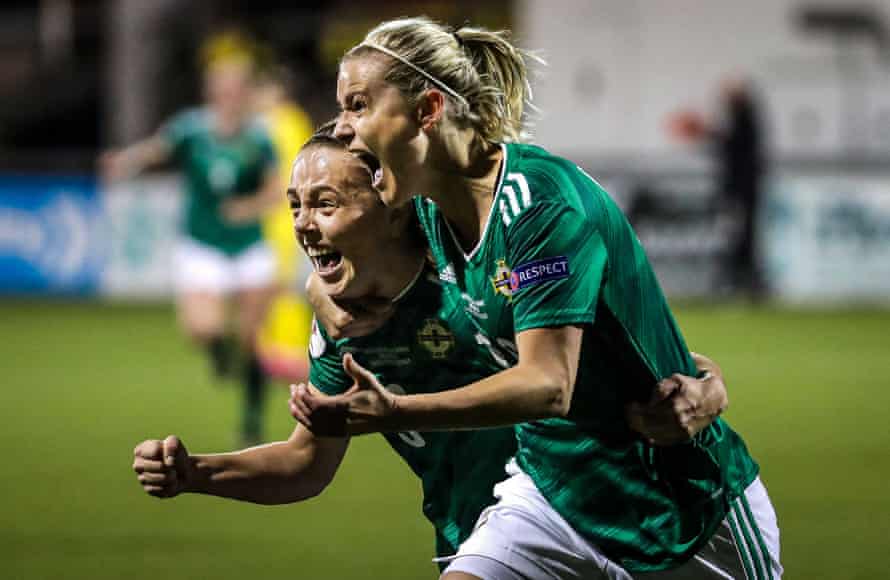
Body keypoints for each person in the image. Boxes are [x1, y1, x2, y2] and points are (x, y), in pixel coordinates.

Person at [293, 17, 781, 580]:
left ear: (428, 110)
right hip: (552, 494)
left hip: (678, 506)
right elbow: (359, 256)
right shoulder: (424, 210)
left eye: (357, 105)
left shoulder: (539, 206)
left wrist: (394, 412)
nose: (342, 128)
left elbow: (549, 384)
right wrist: (320, 286)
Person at [133, 129, 731, 570]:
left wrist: (705, 381)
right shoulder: (341, 332)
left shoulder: (477, 270)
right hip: (481, 538)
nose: (302, 224)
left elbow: (603, 349)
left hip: (630, 514)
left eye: (324, 203)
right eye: (295, 205)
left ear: (392, 211)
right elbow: (306, 463)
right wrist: (198, 473)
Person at [101, 52, 281, 445]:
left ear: (246, 94)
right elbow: (156, 150)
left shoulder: (259, 137)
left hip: (248, 245)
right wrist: (126, 162)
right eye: (223, 89)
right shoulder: (191, 129)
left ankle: (251, 418)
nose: (230, 97)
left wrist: (248, 208)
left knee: (253, 339)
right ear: (213, 93)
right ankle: (219, 351)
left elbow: (274, 188)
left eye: (237, 89)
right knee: (203, 328)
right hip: (202, 244)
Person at [668, 76, 767, 296]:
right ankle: (742, 282)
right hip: (741, 190)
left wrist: (704, 131)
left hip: (742, 191)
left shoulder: (745, 119)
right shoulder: (744, 119)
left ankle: (743, 283)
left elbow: (731, 144)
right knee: (739, 236)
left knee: (740, 237)